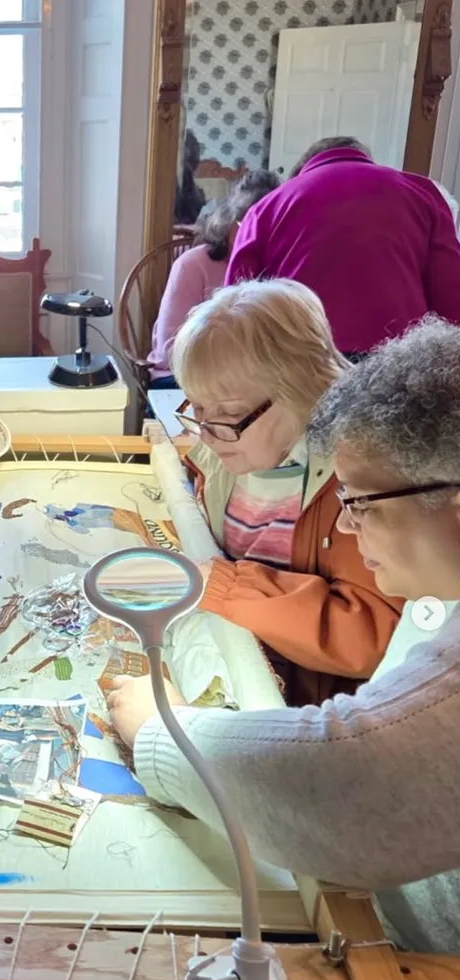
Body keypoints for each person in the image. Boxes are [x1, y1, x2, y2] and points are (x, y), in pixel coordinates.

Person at [106, 315, 460, 980]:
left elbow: (348, 779)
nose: (349, 521)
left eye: (362, 503)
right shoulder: (440, 592)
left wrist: (158, 730)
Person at [169, 278, 402, 706]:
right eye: (195, 408)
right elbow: (203, 467)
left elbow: (374, 632)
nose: (206, 435)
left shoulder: (361, 491)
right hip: (236, 654)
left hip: (307, 705)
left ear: (306, 394)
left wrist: (224, 588)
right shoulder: (233, 447)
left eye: (228, 415)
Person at [226, 136, 460, 360]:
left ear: (300, 172)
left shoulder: (267, 206)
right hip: (397, 359)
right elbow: (451, 296)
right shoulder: (422, 193)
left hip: (298, 361)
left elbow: (234, 304)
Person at [148, 169, 280, 388]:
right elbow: (169, 348)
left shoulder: (278, 267)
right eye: (247, 227)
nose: (255, 239)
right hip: (182, 375)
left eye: (270, 231)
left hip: (250, 381)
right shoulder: (192, 264)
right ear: (228, 222)